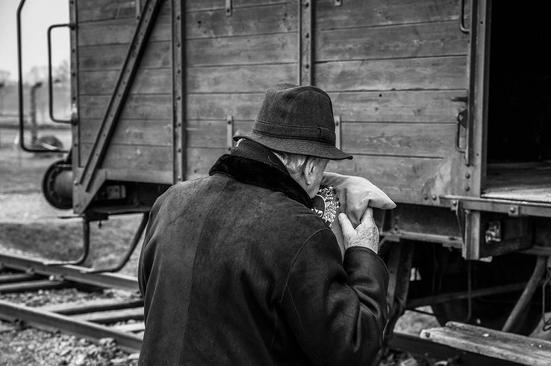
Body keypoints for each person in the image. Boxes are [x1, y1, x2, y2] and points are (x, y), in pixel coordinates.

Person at [138, 84, 394, 365]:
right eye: (322, 169)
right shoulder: (298, 230)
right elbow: (353, 347)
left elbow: (149, 290)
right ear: (310, 168)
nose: (322, 179)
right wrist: (364, 254)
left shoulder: (172, 200)